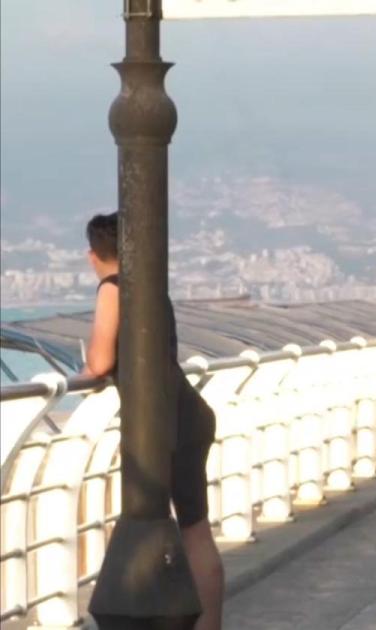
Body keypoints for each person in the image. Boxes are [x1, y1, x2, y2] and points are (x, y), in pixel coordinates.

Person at [82, 213, 225, 630]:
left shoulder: (113, 287)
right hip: (186, 412)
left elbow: (99, 362)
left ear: (93, 256)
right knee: (196, 528)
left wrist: (87, 373)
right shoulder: (149, 286)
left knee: (187, 531)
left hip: (166, 422)